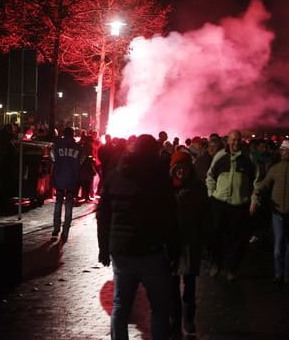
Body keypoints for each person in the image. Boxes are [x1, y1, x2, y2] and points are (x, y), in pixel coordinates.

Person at [97, 134, 179, 340]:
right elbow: (169, 218)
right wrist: (174, 252)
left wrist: (104, 248)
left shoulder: (115, 176)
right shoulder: (158, 180)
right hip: (151, 251)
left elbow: (103, 216)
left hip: (121, 250)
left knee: (120, 305)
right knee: (160, 308)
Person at [250, 139, 289, 285]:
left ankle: (288, 273)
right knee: (278, 246)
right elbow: (265, 183)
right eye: (282, 150)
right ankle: (278, 274)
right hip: (277, 213)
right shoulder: (275, 168)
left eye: (285, 150)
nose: (282, 152)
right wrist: (256, 192)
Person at [206, 129, 256, 280]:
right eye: (232, 140)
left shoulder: (249, 158)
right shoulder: (220, 156)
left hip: (239, 204)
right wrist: (211, 195)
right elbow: (210, 176)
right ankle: (216, 263)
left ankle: (232, 268)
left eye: (238, 140)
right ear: (227, 140)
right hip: (219, 203)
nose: (235, 143)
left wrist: (254, 200)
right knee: (216, 234)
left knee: (237, 239)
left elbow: (257, 181)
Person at [168, 150, 209, 336]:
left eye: (184, 167)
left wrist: (203, 238)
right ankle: (175, 319)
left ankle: (189, 320)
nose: (181, 170)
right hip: (172, 243)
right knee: (172, 285)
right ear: (173, 168)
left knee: (190, 285)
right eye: (177, 167)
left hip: (191, 242)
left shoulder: (198, 188)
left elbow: (204, 216)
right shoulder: (167, 188)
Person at [51, 127, 82, 242]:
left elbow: (52, 158)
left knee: (58, 203)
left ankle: (56, 228)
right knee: (69, 205)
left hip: (59, 177)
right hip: (72, 179)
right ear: (73, 134)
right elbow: (82, 161)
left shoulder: (57, 145)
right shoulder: (78, 147)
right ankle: (65, 231)